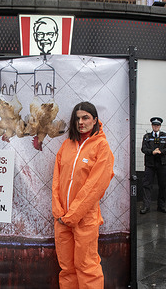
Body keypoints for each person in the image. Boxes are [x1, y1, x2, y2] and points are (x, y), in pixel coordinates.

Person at [52, 102, 115, 289]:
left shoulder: (102, 147)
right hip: (62, 219)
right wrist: (58, 211)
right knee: (67, 268)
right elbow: (56, 179)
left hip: (84, 219)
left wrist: (72, 216)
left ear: (95, 120)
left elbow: (95, 186)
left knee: (87, 267)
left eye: (85, 117)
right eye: (77, 118)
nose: (81, 122)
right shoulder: (67, 145)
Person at [140, 117, 166, 214]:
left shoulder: (165, 136)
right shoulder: (147, 136)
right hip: (150, 164)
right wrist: (152, 152)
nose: (156, 127)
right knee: (147, 185)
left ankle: (161, 205)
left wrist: (161, 151)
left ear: (160, 126)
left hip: (162, 163)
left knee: (163, 185)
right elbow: (144, 149)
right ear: (152, 126)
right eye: (154, 125)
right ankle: (146, 206)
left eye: (157, 125)